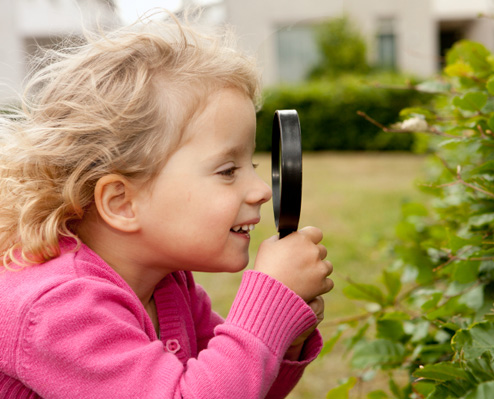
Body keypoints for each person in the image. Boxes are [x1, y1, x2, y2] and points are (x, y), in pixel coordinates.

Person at [0, 11, 333, 399]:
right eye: (228, 170)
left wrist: (285, 336)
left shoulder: (169, 285)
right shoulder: (59, 309)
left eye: (253, 166)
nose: (260, 190)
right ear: (122, 203)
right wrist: (269, 304)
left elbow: (237, 386)